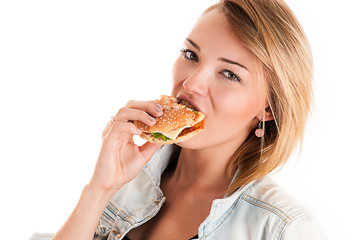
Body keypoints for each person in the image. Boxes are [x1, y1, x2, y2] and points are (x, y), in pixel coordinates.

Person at [30, 0, 327, 239]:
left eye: (230, 74)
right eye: (191, 54)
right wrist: (99, 188)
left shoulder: (282, 228)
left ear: (268, 109)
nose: (192, 83)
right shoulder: (127, 181)